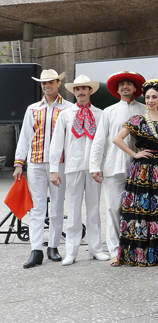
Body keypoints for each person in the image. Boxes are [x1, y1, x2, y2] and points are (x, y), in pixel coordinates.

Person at [111, 79, 158, 267]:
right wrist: (135, 153)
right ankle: (139, 253)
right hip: (142, 170)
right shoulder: (138, 120)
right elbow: (117, 139)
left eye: (154, 97)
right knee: (142, 210)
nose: (150, 100)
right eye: (148, 97)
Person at [14, 69, 71, 268]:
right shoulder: (32, 109)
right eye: (43, 83)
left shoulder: (68, 108)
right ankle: (35, 250)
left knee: (56, 207)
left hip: (60, 164)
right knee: (37, 208)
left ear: (58, 83)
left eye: (50, 82)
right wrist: (19, 163)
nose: (47, 86)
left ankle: (53, 247)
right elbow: (25, 137)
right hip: (36, 163)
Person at [89, 71, 146, 264]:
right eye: (122, 84)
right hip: (113, 167)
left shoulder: (144, 109)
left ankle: (136, 250)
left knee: (138, 211)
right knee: (114, 209)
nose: (125, 87)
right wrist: (95, 165)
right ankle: (115, 251)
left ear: (135, 88)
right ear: (117, 89)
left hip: (139, 168)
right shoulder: (109, 111)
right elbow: (99, 141)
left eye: (129, 84)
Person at [48, 75, 103, 266]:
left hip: (94, 167)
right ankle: (71, 251)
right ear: (73, 92)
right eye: (77, 89)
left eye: (84, 89)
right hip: (73, 166)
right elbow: (56, 144)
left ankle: (96, 249)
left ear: (90, 91)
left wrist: (101, 165)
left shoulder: (99, 114)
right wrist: (54, 169)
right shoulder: (65, 114)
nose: (80, 92)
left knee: (94, 209)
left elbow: (102, 143)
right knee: (73, 210)